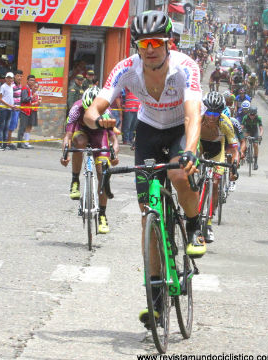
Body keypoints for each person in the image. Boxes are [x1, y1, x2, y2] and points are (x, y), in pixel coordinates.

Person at [83, 11, 206, 326]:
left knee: (179, 172)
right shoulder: (126, 69)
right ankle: (155, 303)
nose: (149, 49)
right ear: (136, 46)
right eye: (142, 43)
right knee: (145, 213)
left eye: (155, 42)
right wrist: (99, 120)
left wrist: (190, 150)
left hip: (180, 128)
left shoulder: (186, 68)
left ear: (168, 43)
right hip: (149, 131)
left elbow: (193, 115)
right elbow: (93, 109)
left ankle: (194, 226)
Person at [61, 86, 119, 233]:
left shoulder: (105, 110)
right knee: (78, 143)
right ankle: (75, 180)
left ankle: (102, 215)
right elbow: (67, 136)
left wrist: (114, 154)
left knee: (103, 174)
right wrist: (65, 154)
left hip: (99, 135)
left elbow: (114, 139)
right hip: (82, 132)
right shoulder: (76, 108)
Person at [200, 92, 239, 241]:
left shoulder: (225, 123)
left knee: (215, 183)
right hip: (200, 145)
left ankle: (209, 221)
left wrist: (234, 166)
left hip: (217, 150)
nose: (211, 116)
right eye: (209, 111)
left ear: (220, 112)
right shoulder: (199, 118)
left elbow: (234, 149)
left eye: (215, 113)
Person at [0, 72, 18, 150]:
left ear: (13, 79)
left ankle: (5, 144)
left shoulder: (12, 86)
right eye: (8, 78)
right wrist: (9, 105)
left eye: (11, 78)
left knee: (6, 127)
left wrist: (13, 105)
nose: (9, 79)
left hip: (9, 109)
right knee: (1, 127)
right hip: (4, 109)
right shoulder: (3, 86)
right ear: (5, 78)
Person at [241, 106, 263, 170]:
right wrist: (240, 133)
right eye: (251, 114)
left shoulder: (258, 118)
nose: (252, 116)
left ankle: (255, 162)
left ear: (256, 114)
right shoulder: (245, 117)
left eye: (253, 115)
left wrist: (260, 136)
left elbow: (261, 128)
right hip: (247, 130)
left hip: (254, 131)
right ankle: (244, 151)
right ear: (248, 114)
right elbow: (242, 126)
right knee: (244, 141)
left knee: (255, 145)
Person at [17, 75, 36, 149]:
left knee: (25, 127)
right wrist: (32, 97)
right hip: (24, 111)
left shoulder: (30, 89)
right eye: (31, 80)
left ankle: (22, 143)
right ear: (27, 81)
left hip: (28, 110)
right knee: (22, 127)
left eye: (33, 80)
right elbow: (24, 99)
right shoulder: (25, 89)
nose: (32, 82)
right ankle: (19, 143)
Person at [7, 70, 23, 150]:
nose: (19, 77)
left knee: (13, 126)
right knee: (10, 126)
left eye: (21, 76)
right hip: (11, 109)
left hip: (17, 109)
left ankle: (8, 142)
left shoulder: (20, 85)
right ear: (14, 77)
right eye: (18, 76)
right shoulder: (11, 85)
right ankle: (8, 143)